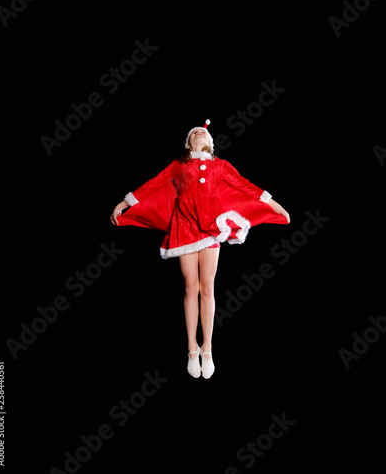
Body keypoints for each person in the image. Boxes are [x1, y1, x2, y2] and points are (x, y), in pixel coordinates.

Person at [110, 120, 290, 379]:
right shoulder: (178, 165)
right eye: (193, 132)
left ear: (209, 143)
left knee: (208, 287)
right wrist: (123, 203)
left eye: (202, 132)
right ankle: (191, 348)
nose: (197, 133)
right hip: (184, 224)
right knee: (189, 286)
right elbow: (153, 185)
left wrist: (274, 204)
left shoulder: (221, 166)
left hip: (210, 224)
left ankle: (207, 347)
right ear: (187, 143)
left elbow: (243, 185)